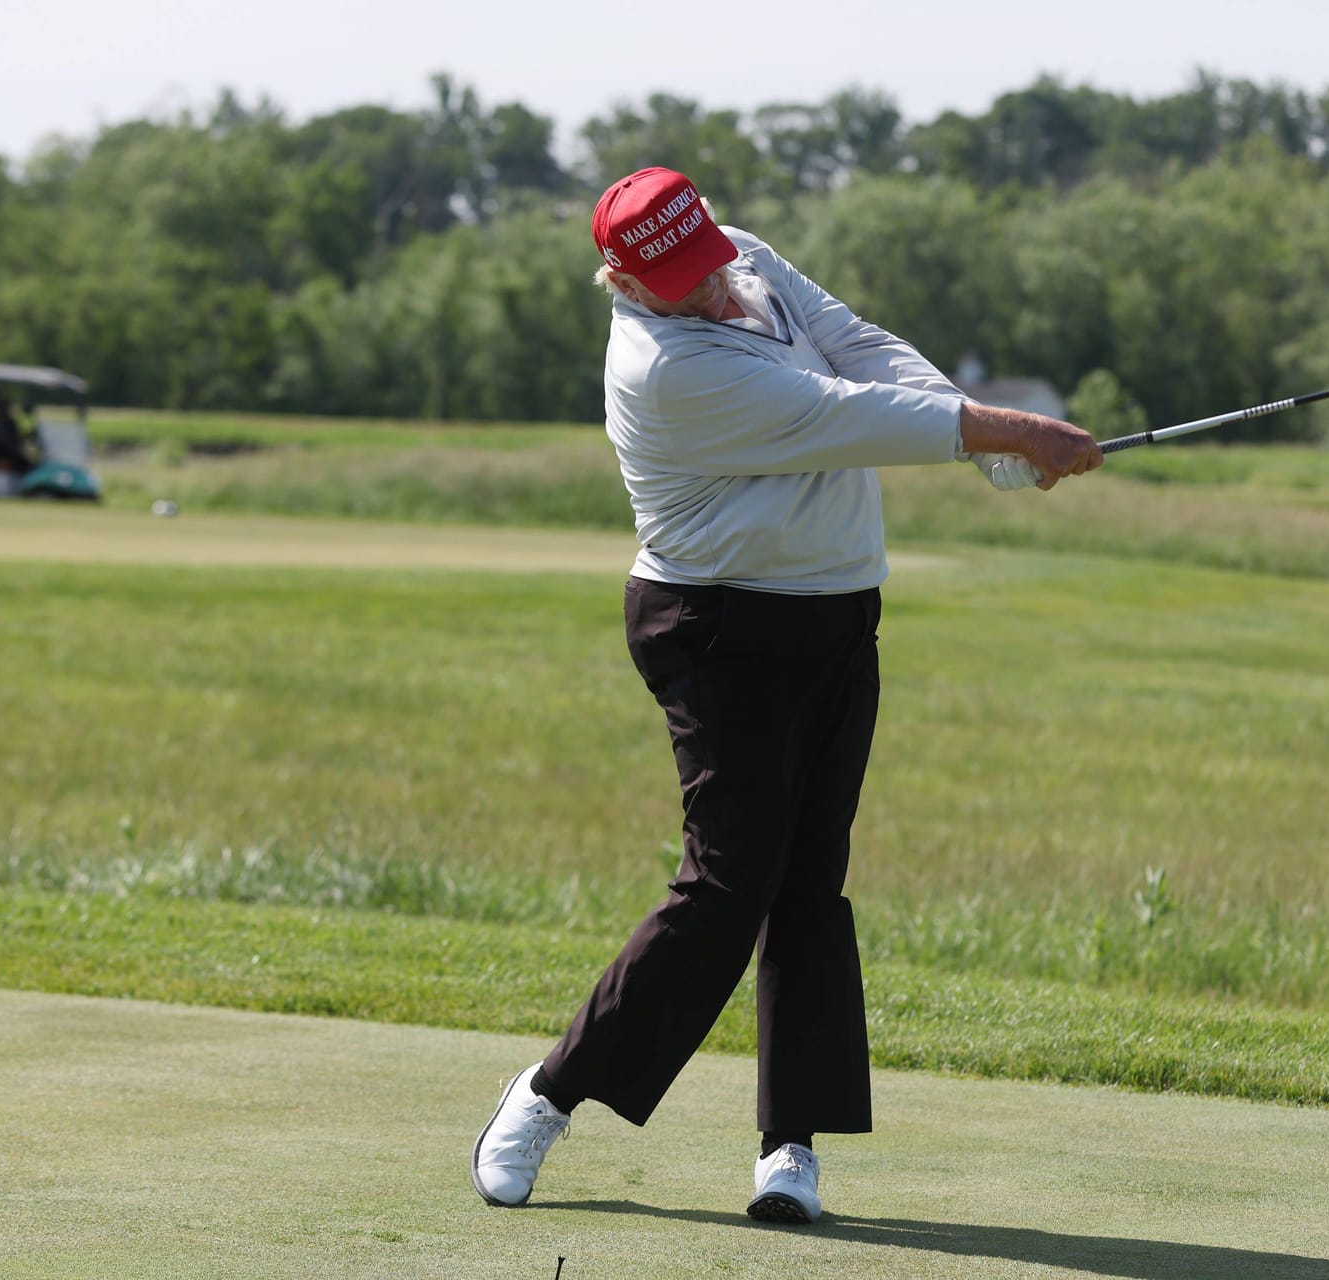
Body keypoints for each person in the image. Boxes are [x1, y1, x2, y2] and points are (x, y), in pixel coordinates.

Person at [470, 166, 1102, 1223]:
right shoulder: (665, 368)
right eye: (679, 279)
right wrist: (1003, 433)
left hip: (837, 612)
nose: (712, 286)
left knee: (811, 885)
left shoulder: (744, 258)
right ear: (621, 277)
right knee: (727, 888)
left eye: (709, 257)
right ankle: (547, 1093)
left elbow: (860, 344)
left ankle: (789, 1148)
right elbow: (838, 410)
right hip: (721, 626)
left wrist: (976, 427)